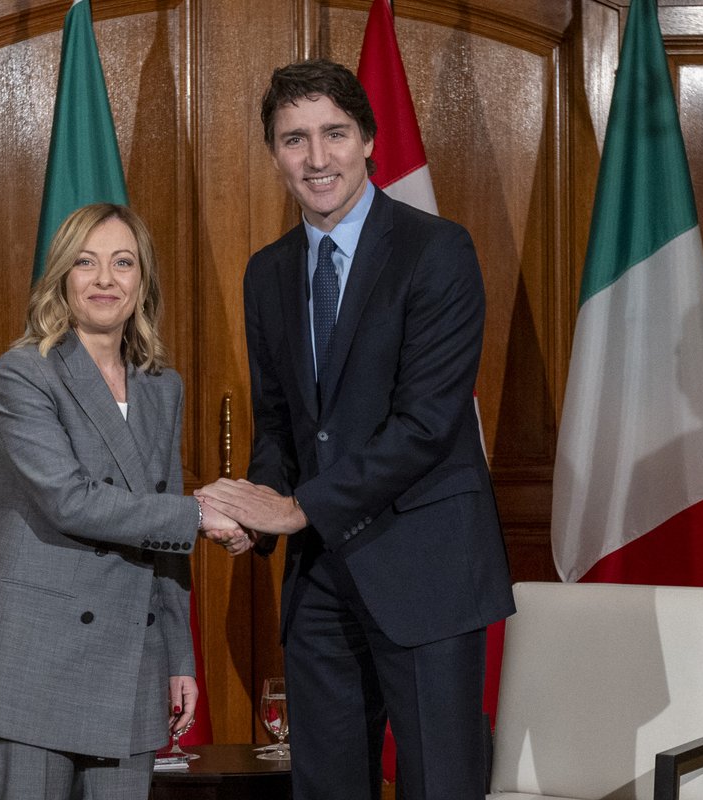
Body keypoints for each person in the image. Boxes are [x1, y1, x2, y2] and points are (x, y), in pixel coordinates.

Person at [196, 60, 515, 800]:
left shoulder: (437, 251)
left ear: (368, 139)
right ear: (274, 153)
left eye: (334, 134)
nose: (316, 158)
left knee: (440, 785)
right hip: (317, 583)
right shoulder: (266, 272)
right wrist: (258, 510)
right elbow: (280, 420)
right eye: (294, 139)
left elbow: (426, 424)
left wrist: (298, 507)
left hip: (426, 573)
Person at [0, 202, 244, 800]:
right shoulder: (24, 373)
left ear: (143, 281)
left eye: (123, 263)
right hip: (33, 662)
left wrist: (178, 656)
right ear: (62, 275)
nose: (105, 279)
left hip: (132, 662)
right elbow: (70, 500)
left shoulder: (163, 385)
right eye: (86, 263)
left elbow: (160, 531)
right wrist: (198, 514)